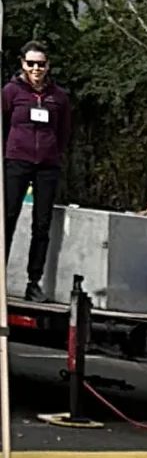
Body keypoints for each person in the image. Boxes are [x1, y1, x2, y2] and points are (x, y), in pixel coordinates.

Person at [3, 41, 72, 302]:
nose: (36, 69)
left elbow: (64, 131)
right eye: (31, 63)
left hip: (47, 165)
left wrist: (54, 153)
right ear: (23, 64)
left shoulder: (58, 97)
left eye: (40, 64)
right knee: (7, 218)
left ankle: (33, 282)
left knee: (41, 225)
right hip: (16, 161)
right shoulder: (11, 91)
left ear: (48, 66)